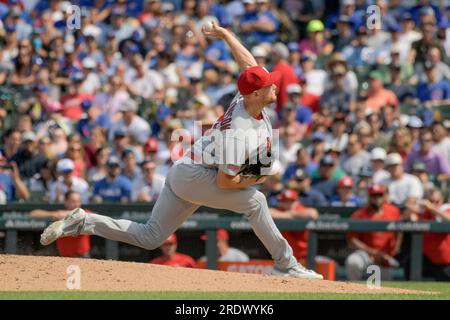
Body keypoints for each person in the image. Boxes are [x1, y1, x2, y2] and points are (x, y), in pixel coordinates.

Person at [40, 22, 323, 280]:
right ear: (256, 94)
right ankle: (286, 265)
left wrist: (226, 35)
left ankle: (84, 220)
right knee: (257, 201)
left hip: (187, 170)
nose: (275, 85)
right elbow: (226, 183)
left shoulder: (245, 97)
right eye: (268, 85)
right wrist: (258, 177)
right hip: (197, 175)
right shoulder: (241, 131)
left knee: (151, 236)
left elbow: (249, 65)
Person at [345, 184, 401, 280]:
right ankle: (353, 289)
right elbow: (352, 240)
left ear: (383, 196)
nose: (377, 198)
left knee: (385, 287)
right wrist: (373, 252)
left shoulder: (393, 211)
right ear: (369, 197)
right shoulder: (359, 214)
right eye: (374, 196)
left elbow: (400, 229)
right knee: (353, 261)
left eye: (379, 195)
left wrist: (397, 247)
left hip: (386, 257)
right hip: (366, 255)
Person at [31, 191, 90, 258]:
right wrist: (55, 214)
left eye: (78, 201)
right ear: (66, 202)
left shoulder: (85, 213)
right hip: (63, 257)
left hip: (82, 256)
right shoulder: (59, 213)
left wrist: (63, 215)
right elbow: (34, 213)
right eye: (73, 201)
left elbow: (82, 215)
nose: (76, 204)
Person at [407, 188, 450, 281]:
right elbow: (409, 218)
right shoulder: (424, 213)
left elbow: (448, 219)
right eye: (431, 201)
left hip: (446, 263)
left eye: (436, 201)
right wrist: (412, 206)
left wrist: (431, 207)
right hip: (428, 260)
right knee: (409, 267)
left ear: (442, 200)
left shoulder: (445, 209)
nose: (433, 204)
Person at [270, 189, 318, 262]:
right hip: (285, 256)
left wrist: (291, 214)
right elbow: (268, 212)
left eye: (289, 201)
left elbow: (313, 214)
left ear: (296, 201)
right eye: (284, 201)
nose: (286, 204)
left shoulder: (300, 209)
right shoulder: (281, 210)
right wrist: (288, 215)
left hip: (303, 256)